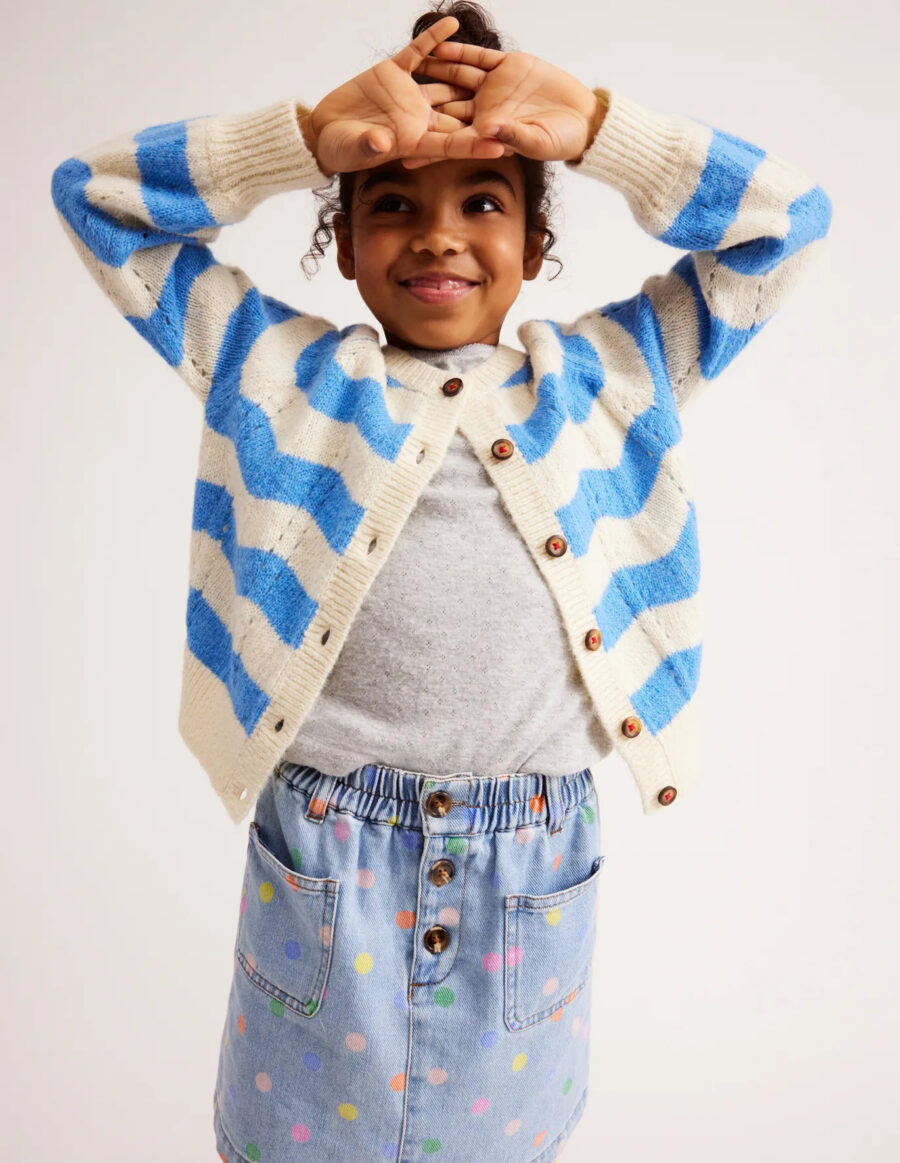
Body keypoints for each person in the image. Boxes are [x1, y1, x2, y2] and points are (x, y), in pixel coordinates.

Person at [49, 2, 832, 1160]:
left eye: (483, 201)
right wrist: (306, 138)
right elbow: (99, 200)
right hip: (326, 852)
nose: (438, 236)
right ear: (346, 235)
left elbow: (788, 226)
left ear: (536, 238)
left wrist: (604, 129)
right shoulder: (272, 369)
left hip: (532, 863)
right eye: (393, 203)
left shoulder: (619, 374)